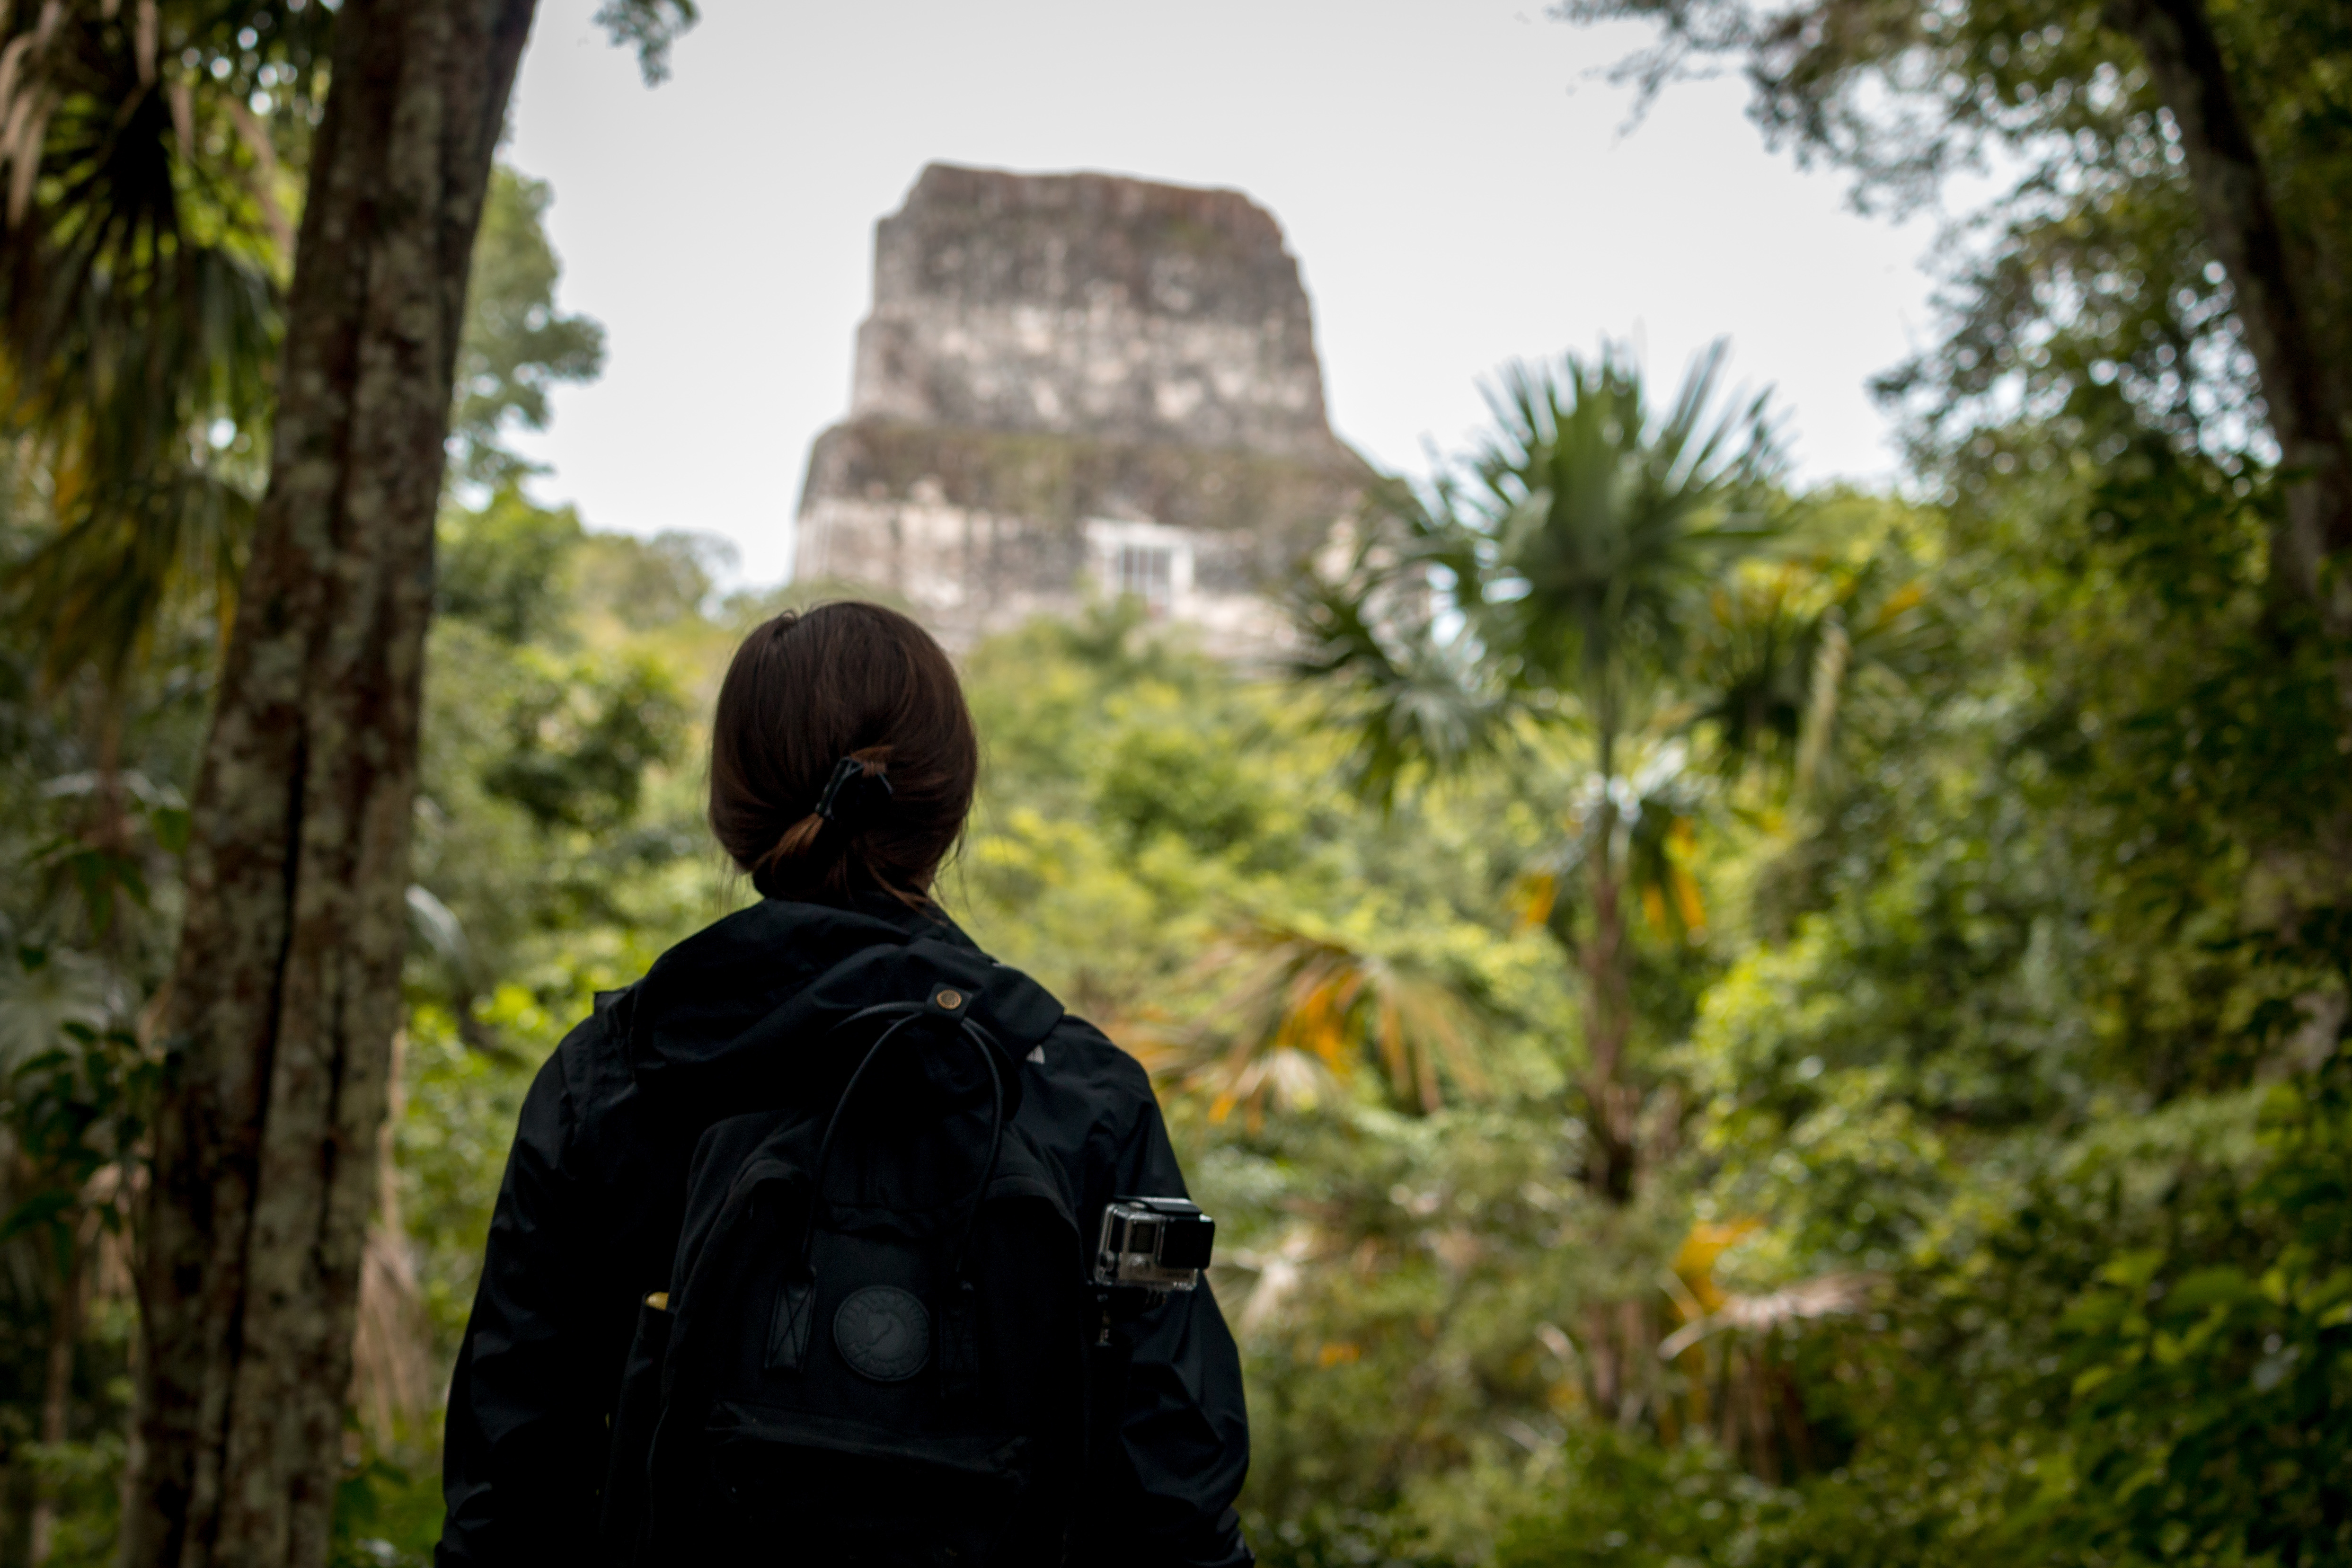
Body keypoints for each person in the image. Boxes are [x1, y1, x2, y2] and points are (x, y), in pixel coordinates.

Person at [435, 602, 1252, 1566]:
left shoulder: (616, 1079)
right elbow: (1175, 1494)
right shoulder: (1079, 1094)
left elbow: (510, 1483)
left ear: (731, 811)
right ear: (950, 804)